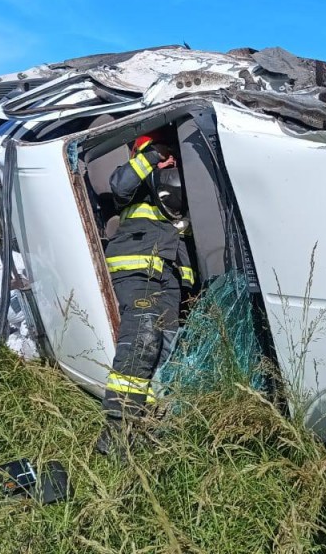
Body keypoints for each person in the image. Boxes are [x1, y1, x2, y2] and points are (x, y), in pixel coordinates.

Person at [95, 131, 197, 457]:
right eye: (163, 153)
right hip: (137, 271)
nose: (170, 160)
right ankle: (117, 430)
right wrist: (153, 156)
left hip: (167, 278)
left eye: (171, 154)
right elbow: (119, 184)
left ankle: (145, 429)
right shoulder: (133, 186)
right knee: (142, 338)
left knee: (164, 351)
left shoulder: (178, 201)